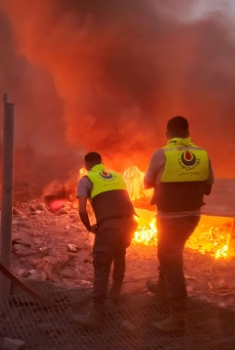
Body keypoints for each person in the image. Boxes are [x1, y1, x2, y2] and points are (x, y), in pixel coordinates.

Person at [143, 116, 214, 332]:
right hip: (192, 216)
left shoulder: (161, 154)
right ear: (188, 132)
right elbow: (208, 188)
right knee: (167, 254)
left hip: (170, 218)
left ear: (168, 134)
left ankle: (178, 316)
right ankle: (163, 288)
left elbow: (146, 184)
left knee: (172, 261)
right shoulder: (202, 154)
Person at [71, 152, 137, 328]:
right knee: (119, 252)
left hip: (110, 225)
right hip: (130, 222)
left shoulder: (86, 179)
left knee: (101, 264)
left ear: (86, 166)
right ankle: (115, 295)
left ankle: (95, 314)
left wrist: (89, 227)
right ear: (101, 163)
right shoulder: (117, 175)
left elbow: (83, 211)